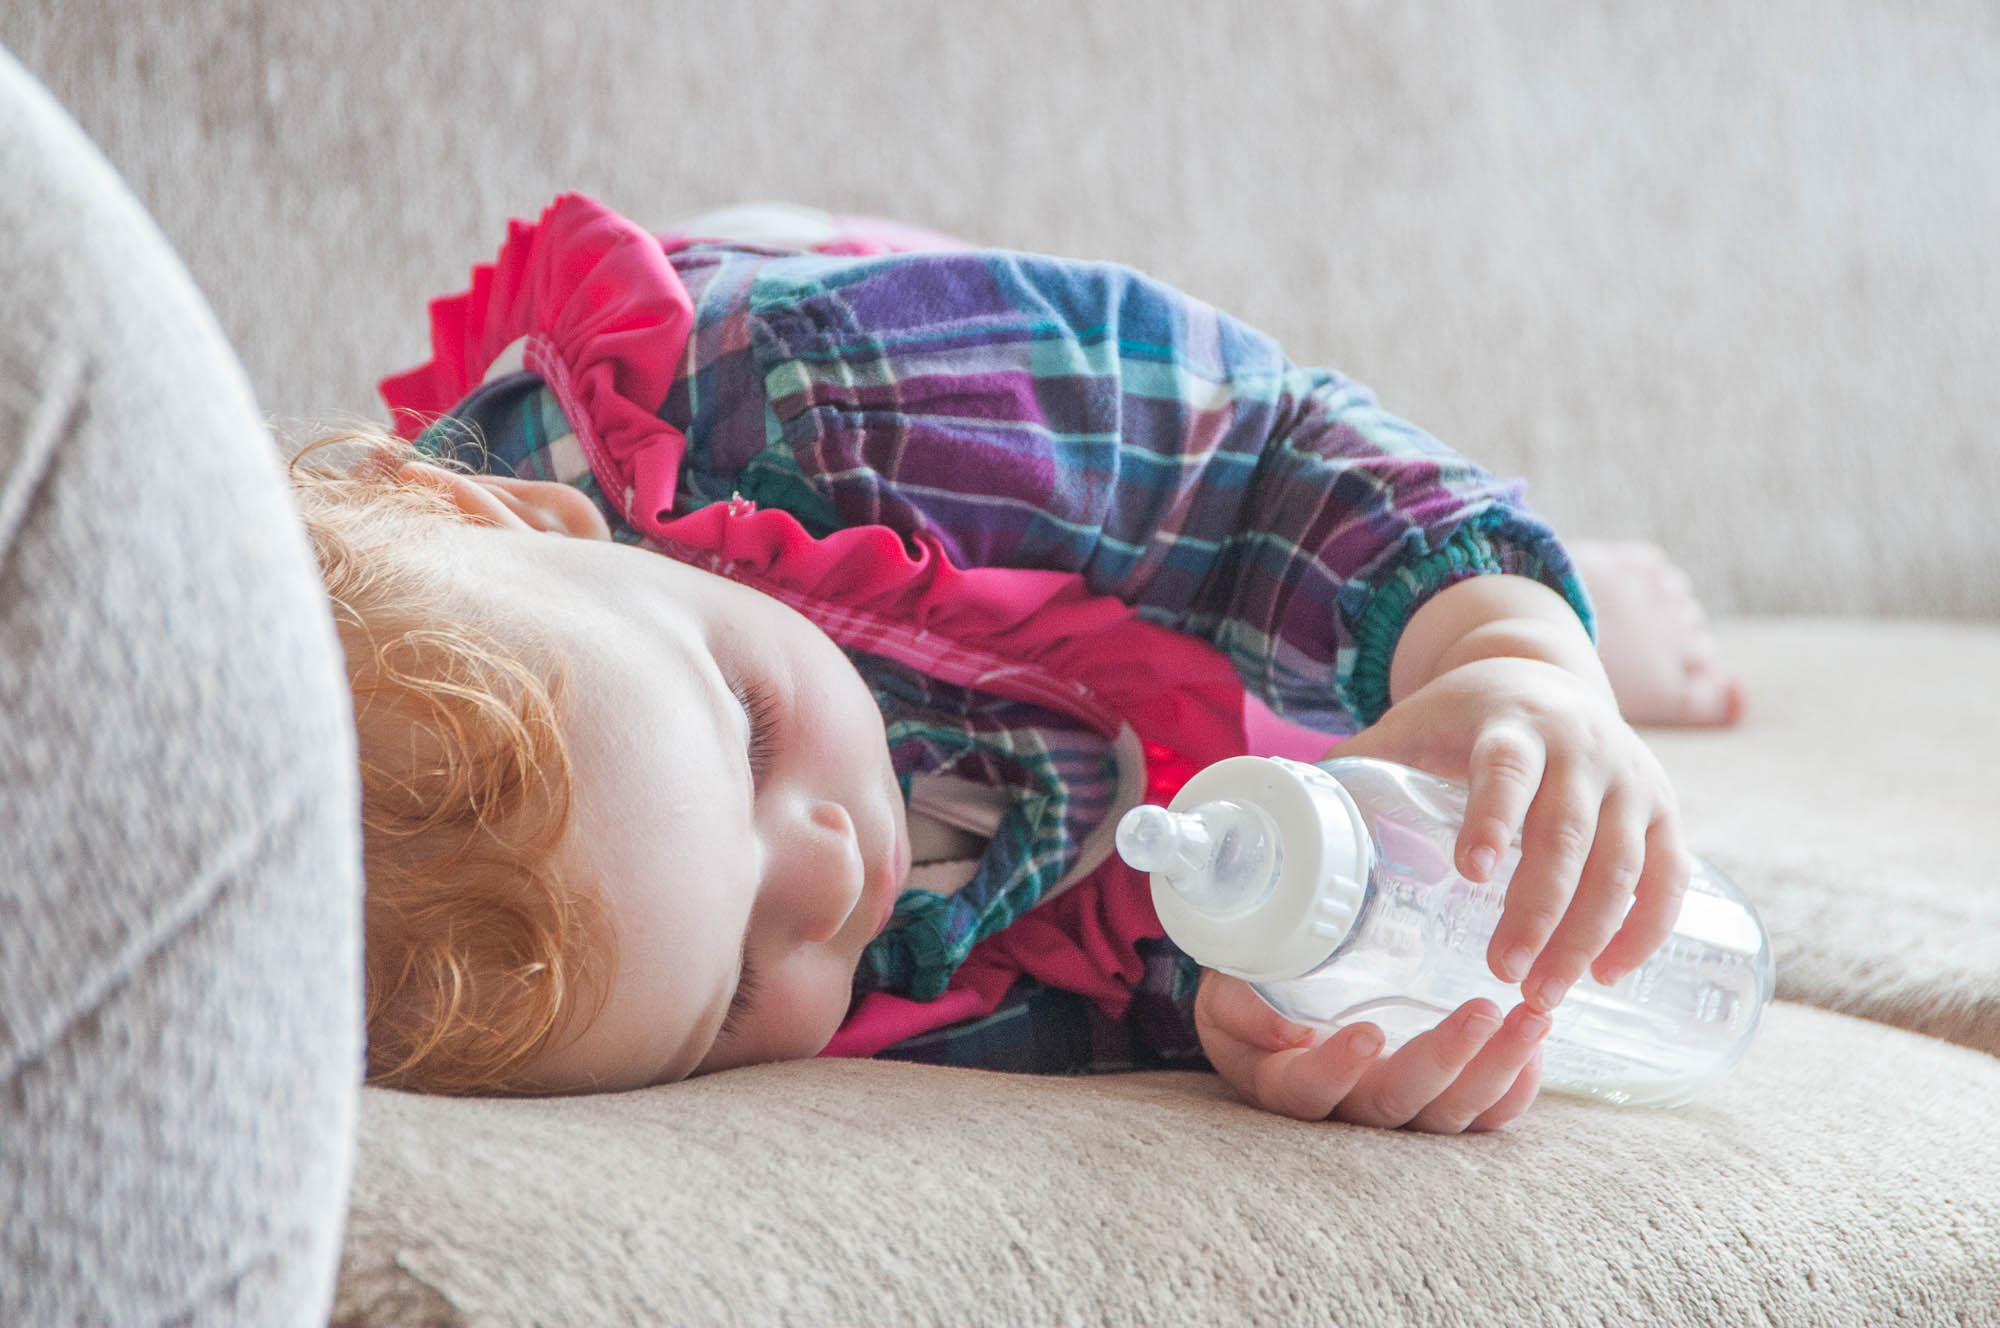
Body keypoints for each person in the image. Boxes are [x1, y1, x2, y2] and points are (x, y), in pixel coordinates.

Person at [294, 193, 1741, 1133]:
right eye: (730, 987)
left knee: (1416, 622)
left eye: (746, 733)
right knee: (1306, 811)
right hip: (1060, 763)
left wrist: (1507, 646)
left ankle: (1550, 587)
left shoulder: (812, 396)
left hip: (1027, 479)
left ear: (535, 519)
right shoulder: (667, 970)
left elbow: (1264, 456)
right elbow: (1081, 963)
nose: (826, 880)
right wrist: (1257, 1009)